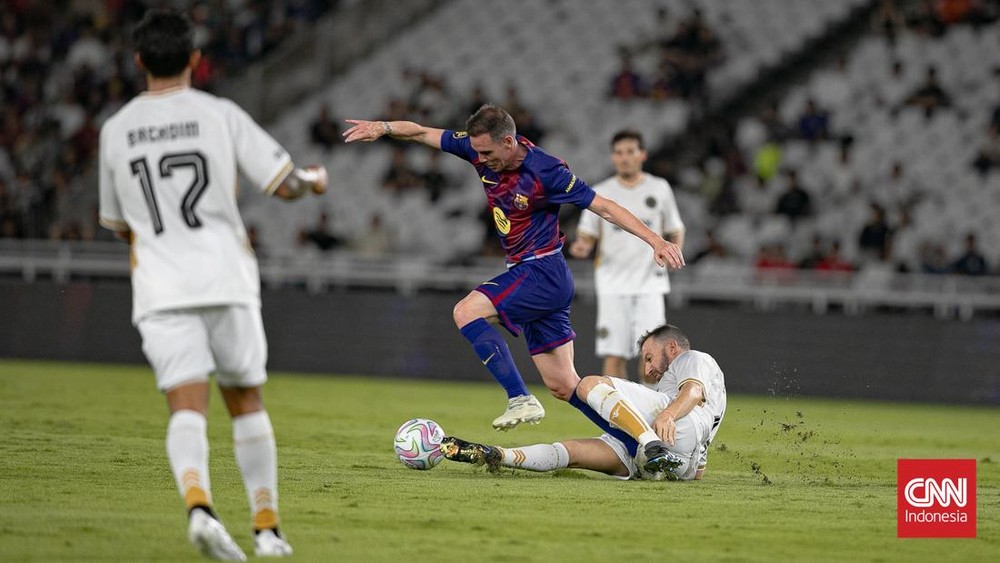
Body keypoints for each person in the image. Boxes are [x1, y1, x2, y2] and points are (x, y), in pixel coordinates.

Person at [98, 10, 327, 560]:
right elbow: (283, 185)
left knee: (186, 406)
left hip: (160, 286)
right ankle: (267, 530)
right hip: (224, 276)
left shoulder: (116, 129)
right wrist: (313, 182)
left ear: (138, 61)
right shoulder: (219, 114)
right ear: (195, 60)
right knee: (246, 401)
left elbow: (120, 224)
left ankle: (199, 508)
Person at [343, 105, 685, 435]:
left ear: (508, 141)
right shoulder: (477, 148)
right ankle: (641, 442)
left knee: (466, 311)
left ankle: (519, 398)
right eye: (477, 152)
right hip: (537, 274)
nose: (480, 159)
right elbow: (421, 133)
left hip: (542, 270)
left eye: (487, 153)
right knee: (564, 385)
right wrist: (383, 127)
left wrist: (655, 240)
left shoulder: (546, 171)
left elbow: (605, 207)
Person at [441, 324, 727, 481]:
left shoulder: (693, 358)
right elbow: (699, 466)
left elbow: (693, 392)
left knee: (589, 384)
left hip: (668, 431)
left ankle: (650, 444)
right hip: (679, 465)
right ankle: (495, 454)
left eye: (649, 357)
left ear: (672, 347)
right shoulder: (682, 389)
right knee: (572, 452)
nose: (649, 368)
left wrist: (667, 417)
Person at [569, 130, 685, 381]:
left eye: (630, 152)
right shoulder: (601, 191)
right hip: (612, 284)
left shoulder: (659, 188)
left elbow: (675, 228)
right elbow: (587, 234)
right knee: (614, 354)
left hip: (649, 284)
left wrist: (675, 252)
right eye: (619, 153)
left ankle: (651, 403)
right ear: (613, 157)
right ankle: (617, 406)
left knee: (655, 354)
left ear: (642, 155)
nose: (624, 158)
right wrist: (582, 246)